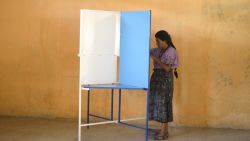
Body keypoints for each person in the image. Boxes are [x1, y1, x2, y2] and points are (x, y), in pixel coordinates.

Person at [149, 30, 179, 140]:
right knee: (160, 104)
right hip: (157, 77)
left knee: (164, 104)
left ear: (165, 40)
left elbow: (167, 68)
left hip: (165, 79)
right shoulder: (158, 50)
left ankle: (163, 132)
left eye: (158, 41)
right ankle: (165, 131)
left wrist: (155, 59)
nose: (156, 43)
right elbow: (147, 51)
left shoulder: (171, 51)